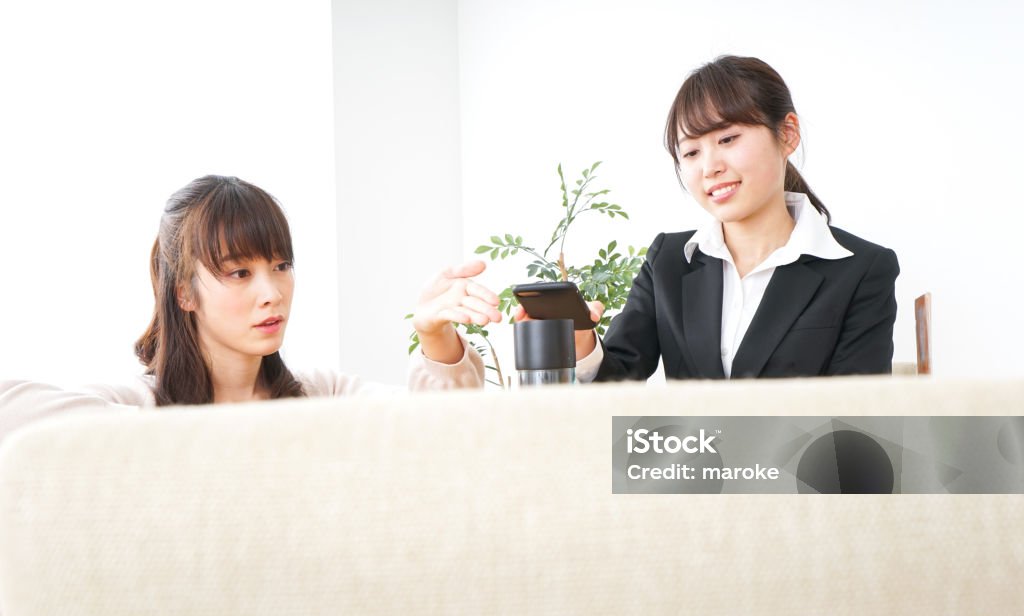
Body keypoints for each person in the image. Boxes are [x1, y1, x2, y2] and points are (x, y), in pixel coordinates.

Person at [0, 175, 498, 442]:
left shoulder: (319, 395)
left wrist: (435, 338)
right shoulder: (139, 404)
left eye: (282, 266)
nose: (272, 292)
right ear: (184, 293)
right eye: (240, 273)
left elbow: (447, 437)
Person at [518, 55, 900, 381]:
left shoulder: (863, 269)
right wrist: (581, 341)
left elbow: (855, 418)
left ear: (787, 134)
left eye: (728, 139)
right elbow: (619, 380)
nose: (710, 168)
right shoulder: (668, 259)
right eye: (691, 153)